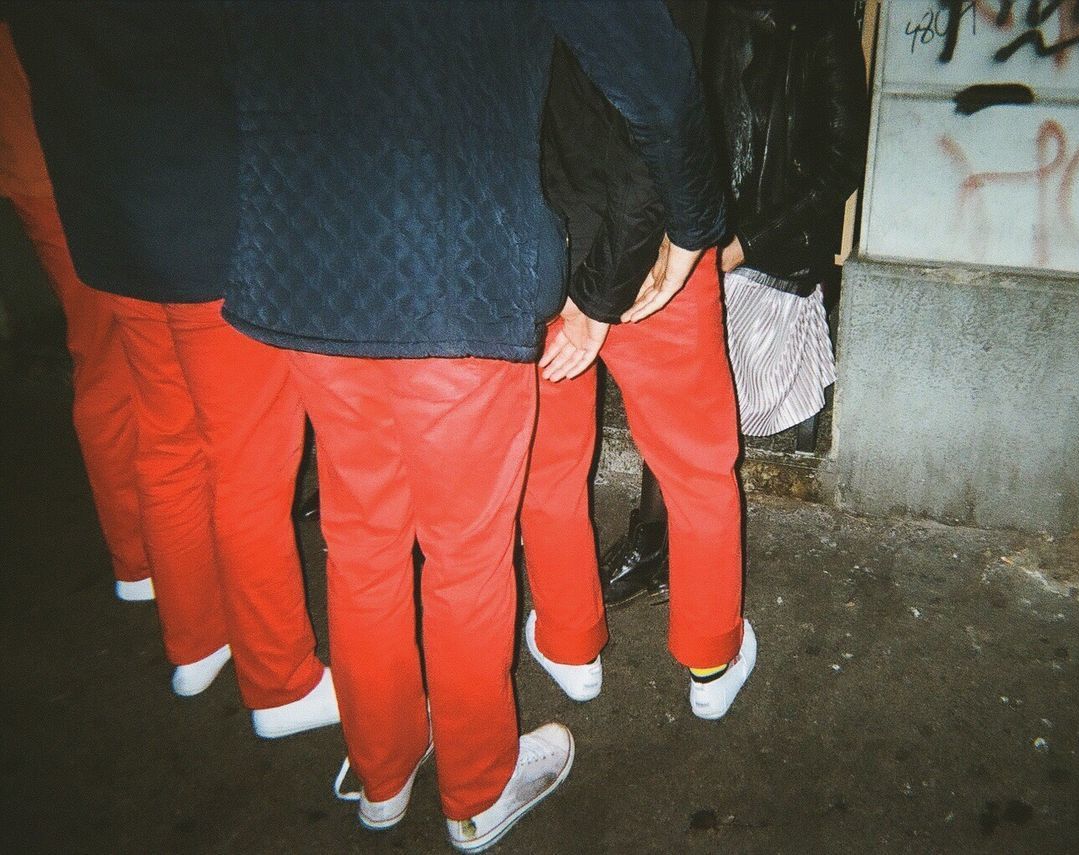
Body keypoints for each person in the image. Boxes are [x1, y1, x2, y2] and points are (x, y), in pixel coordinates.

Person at [218, 3, 723, 850]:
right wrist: (695, 221)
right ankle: (479, 786)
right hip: (454, 262)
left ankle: (383, 771)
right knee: (465, 556)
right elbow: (653, 72)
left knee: (363, 539)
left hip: (300, 257)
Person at [8, 5, 339, 738]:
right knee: (248, 467)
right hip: (211, 226)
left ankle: (196, 640)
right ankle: (280, 681)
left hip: (107, 221)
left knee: (166, 439)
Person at [522, 0, 756, 722]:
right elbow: (663, 109)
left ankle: (568, 646)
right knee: (696, 466)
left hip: (538, 247)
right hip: (654, 250)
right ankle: (711, 659)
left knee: (548, 465)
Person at [601, 0, 870, 605]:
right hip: (694, 239)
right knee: (678, 406)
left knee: (696, 422)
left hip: (762, 253)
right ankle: (657, 546)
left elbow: (838, 161)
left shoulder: (818, 23)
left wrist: (745, 245)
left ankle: (670, 558)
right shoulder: (698, 14)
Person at [0, 23, 151, 603]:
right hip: (66, 167)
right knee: (115, 362)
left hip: (45, 163)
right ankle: (139, 554)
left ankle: (140, 556)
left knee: (106, 358)